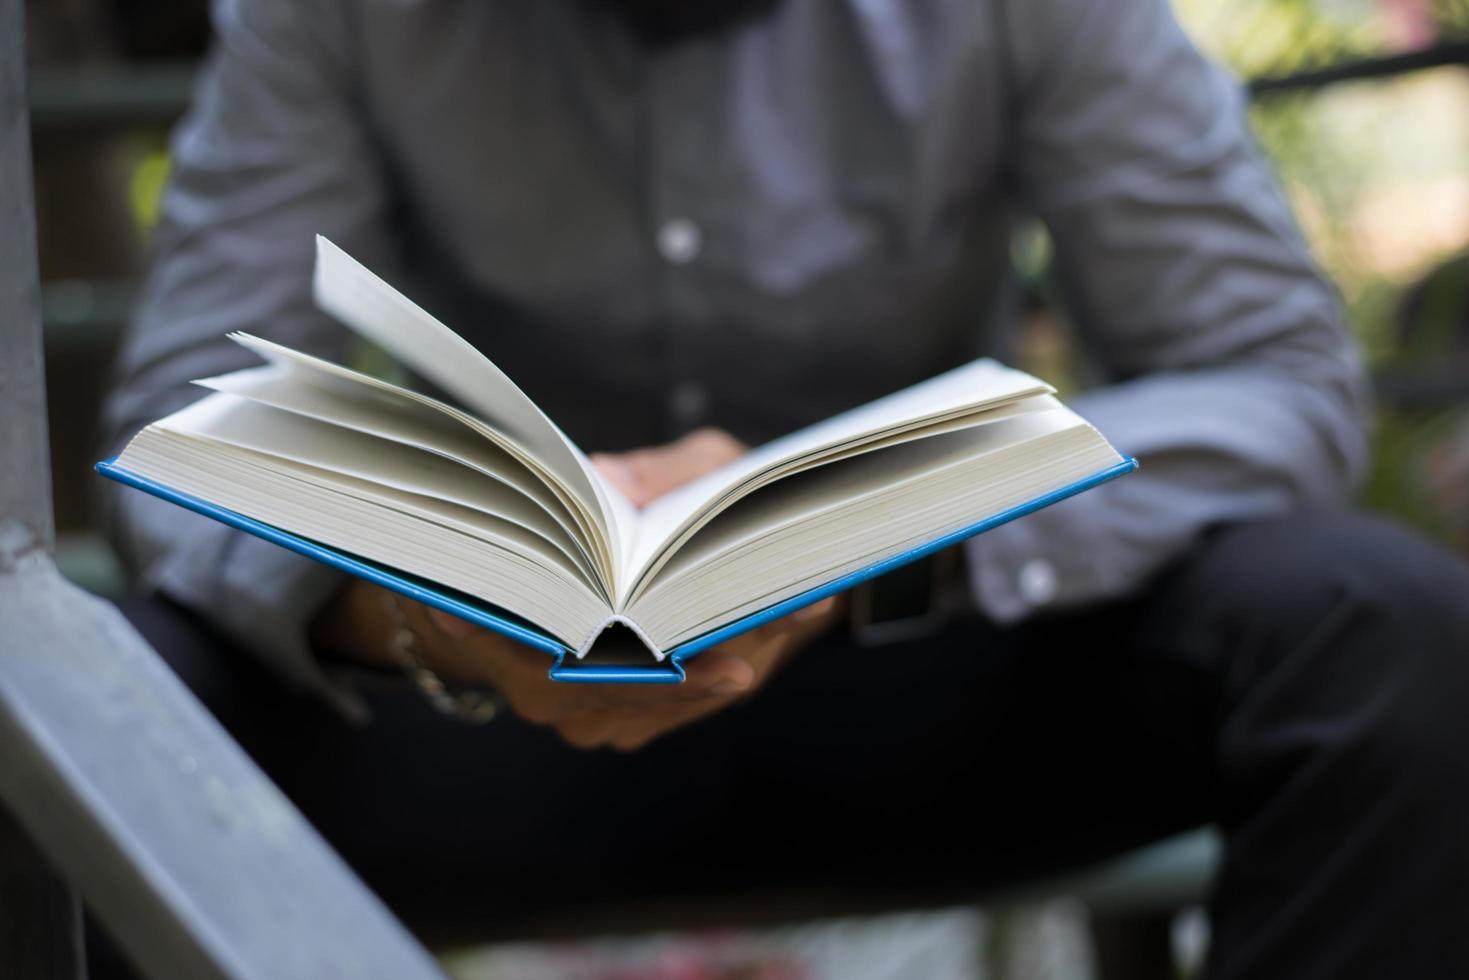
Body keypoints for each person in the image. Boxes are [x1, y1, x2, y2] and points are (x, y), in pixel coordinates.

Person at [101, 1, 1469, 976]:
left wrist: (875, 529)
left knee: (1378, 624)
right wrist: (405, 605)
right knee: (94, 713)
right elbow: (186, 411)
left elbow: (1269, 375)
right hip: (482, 713)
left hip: (937, 676)